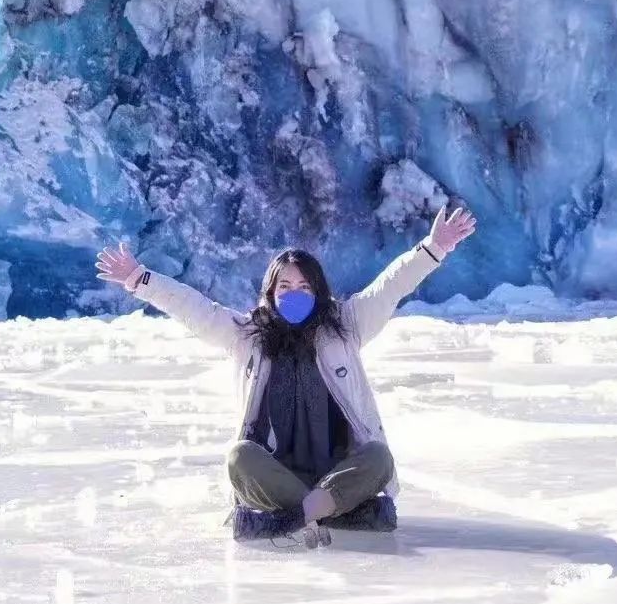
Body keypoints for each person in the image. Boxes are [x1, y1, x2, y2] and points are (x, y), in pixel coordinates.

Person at [96, 204, 476, 547]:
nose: (295, 294)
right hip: (279, 479)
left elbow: (390, 287)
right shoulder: (246, 336)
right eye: (286, 286)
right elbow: (194, 308)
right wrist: (139, 279)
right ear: (271, 291)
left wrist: (432, 249)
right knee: (239, 458)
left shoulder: (347, 324)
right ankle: (333, 513)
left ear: (318, 290)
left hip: (337, 470)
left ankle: (293, 520)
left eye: (304, 286)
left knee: (378, 458)